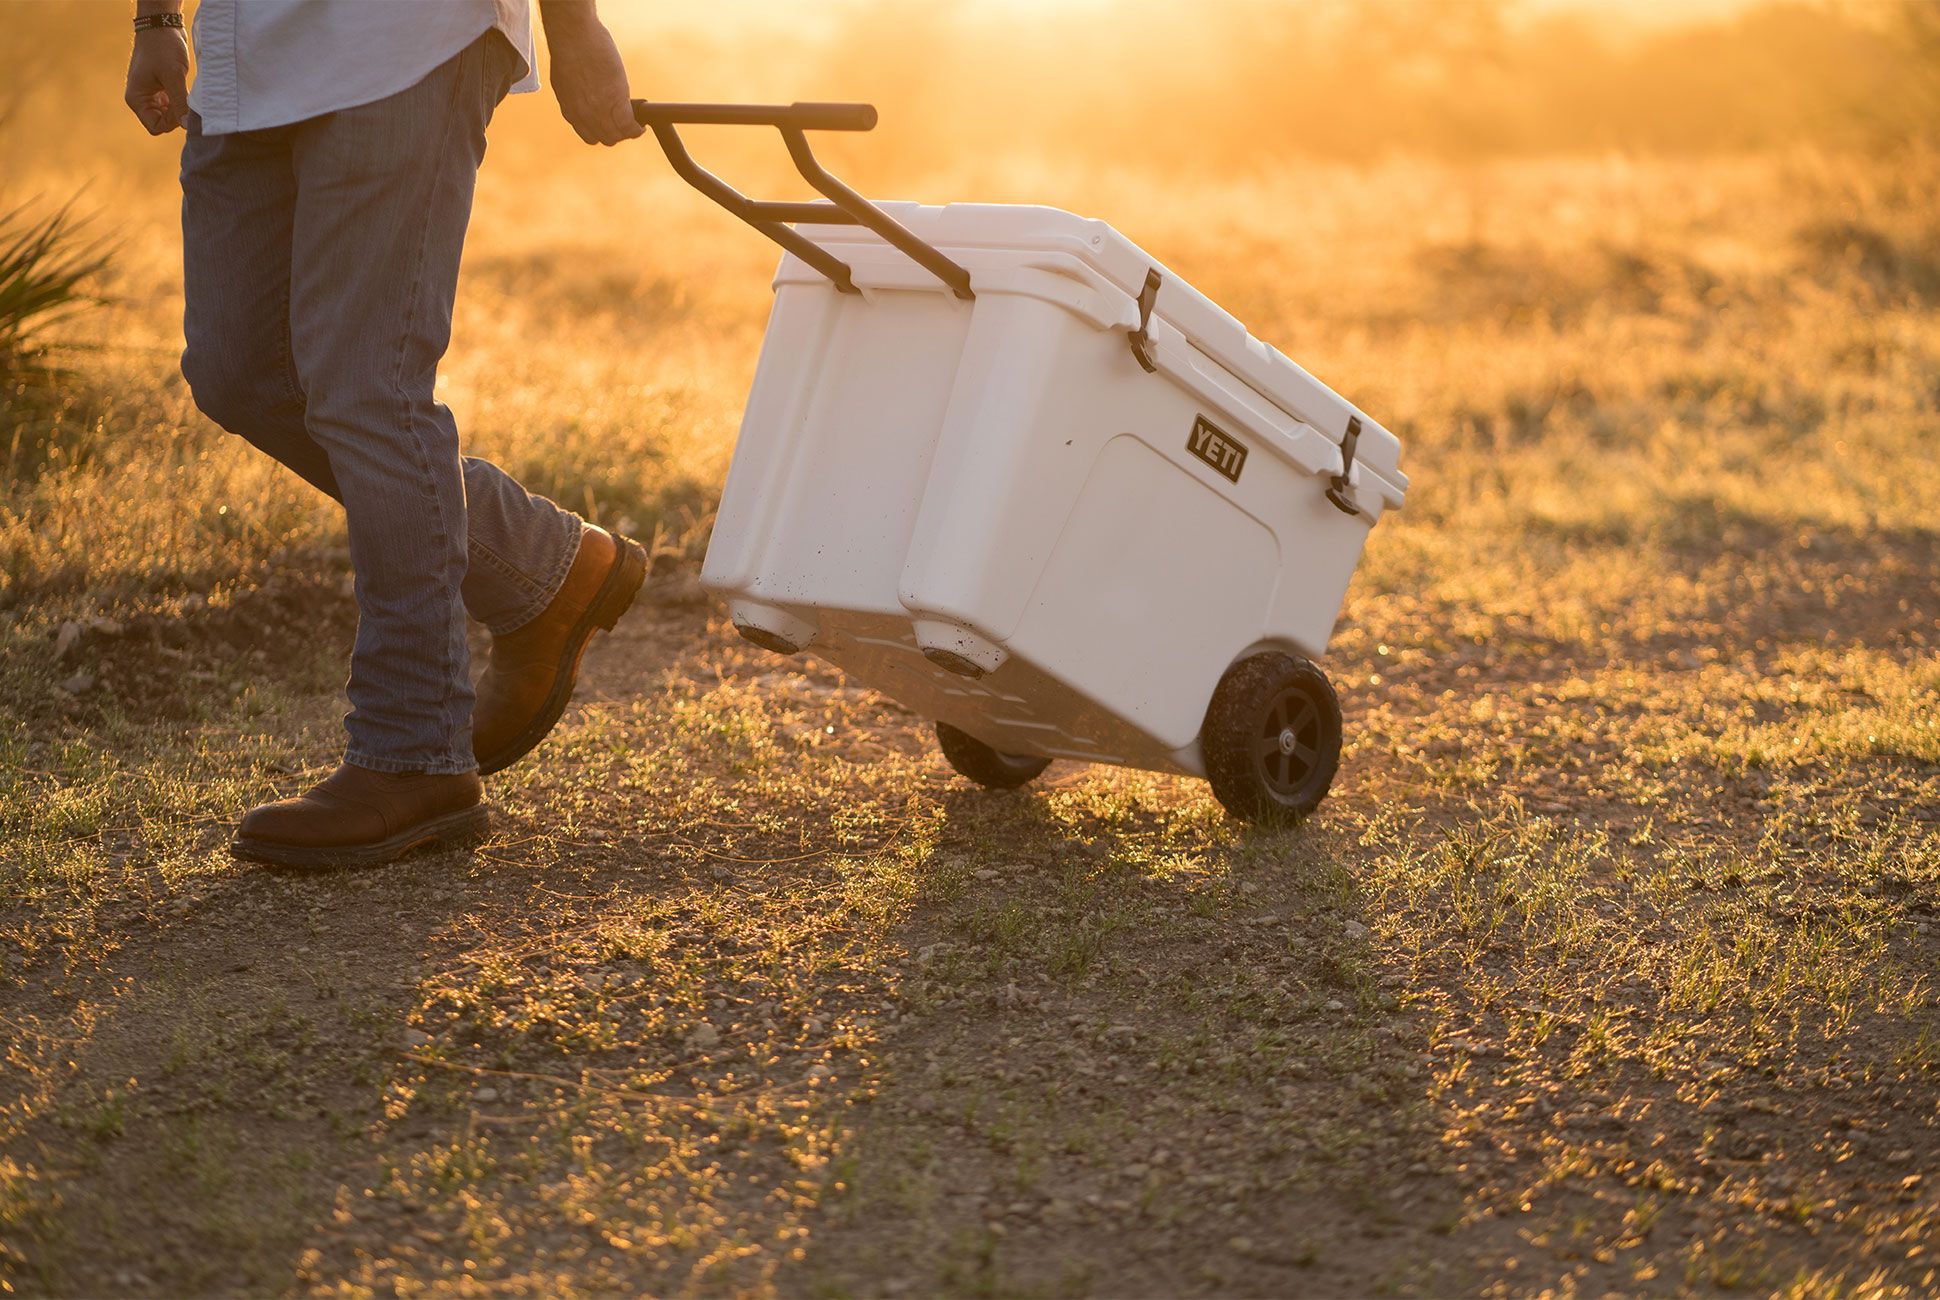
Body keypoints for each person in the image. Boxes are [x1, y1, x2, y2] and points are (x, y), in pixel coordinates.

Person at [123, 0, 650, 868]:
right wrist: (153, 18)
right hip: (244, 50)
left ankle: (413, 752)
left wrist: (574, 25)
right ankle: (546, 567)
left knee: (369, 387)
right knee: (240, 372)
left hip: (402, 38)